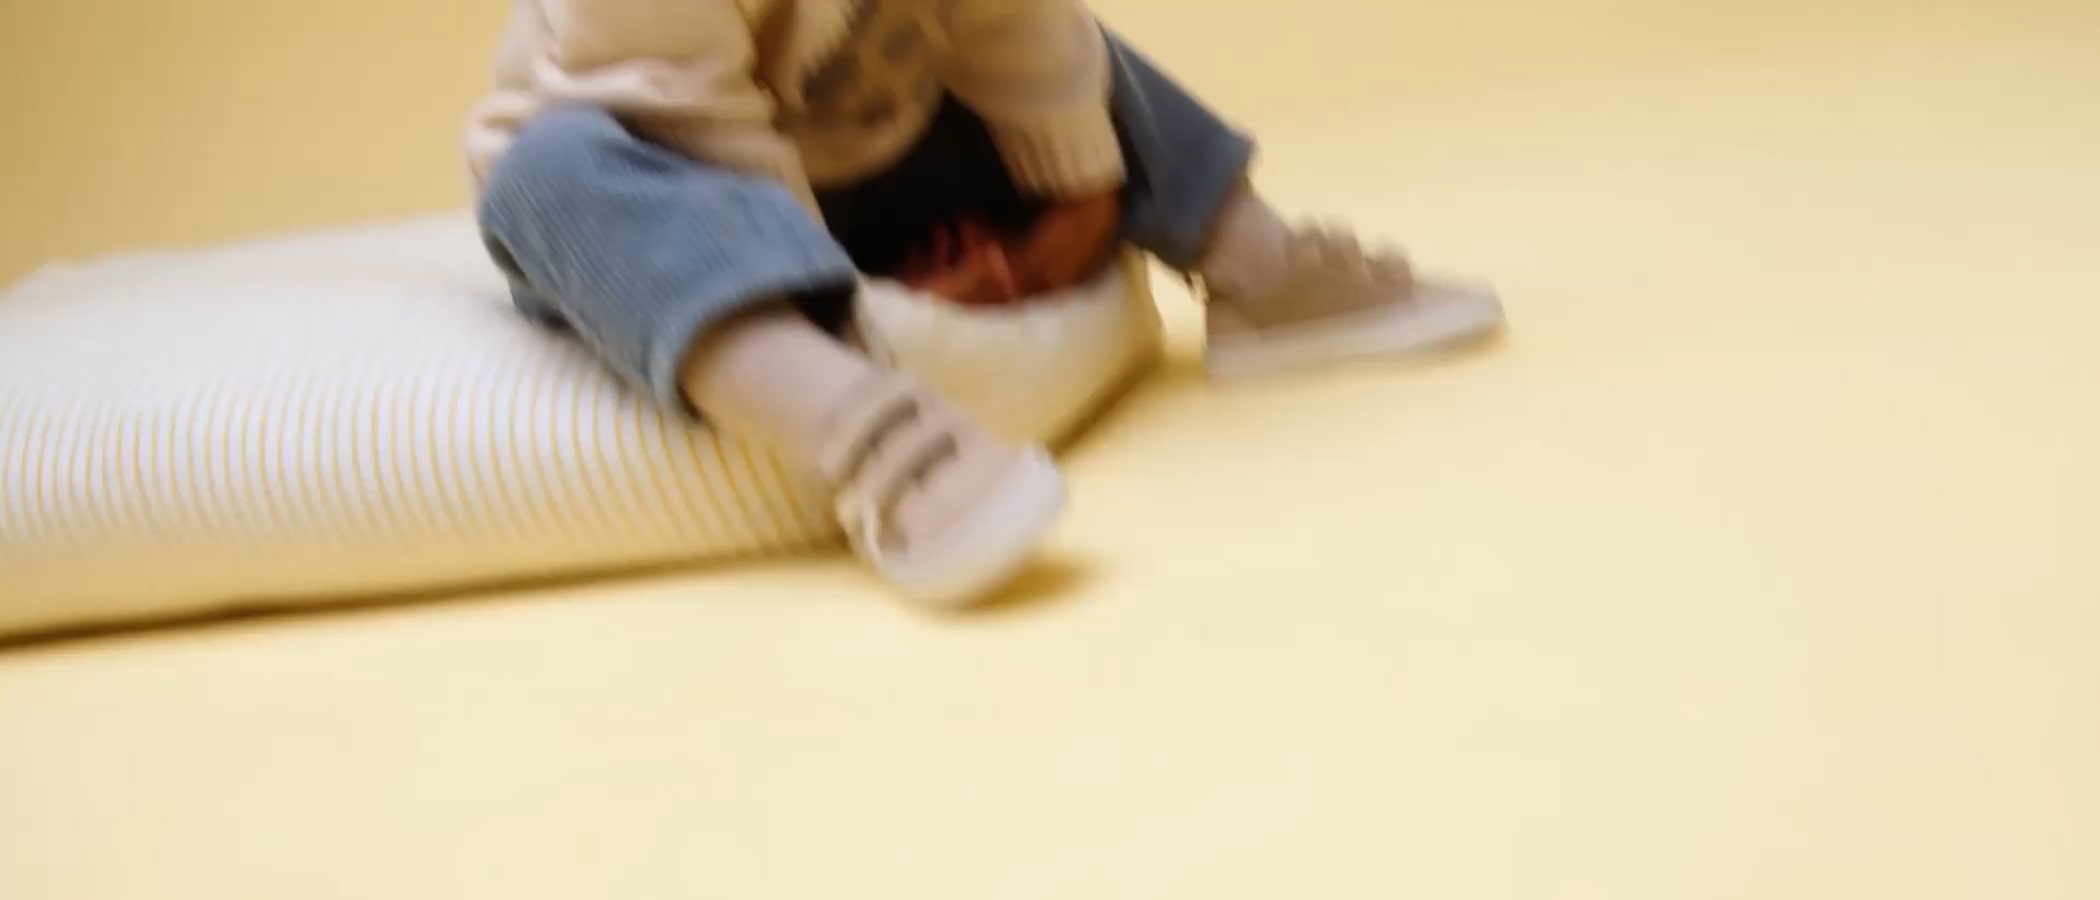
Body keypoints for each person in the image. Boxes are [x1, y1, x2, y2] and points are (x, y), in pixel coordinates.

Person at [466, 0, 1504, 609]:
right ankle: (866, 435)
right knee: (549, 172)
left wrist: (1074, 202)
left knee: (1085, 54)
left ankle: (1258, 268)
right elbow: (682, 123)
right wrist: (847, 303)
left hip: (864, 152)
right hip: (666, 180)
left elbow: (1020, 28)